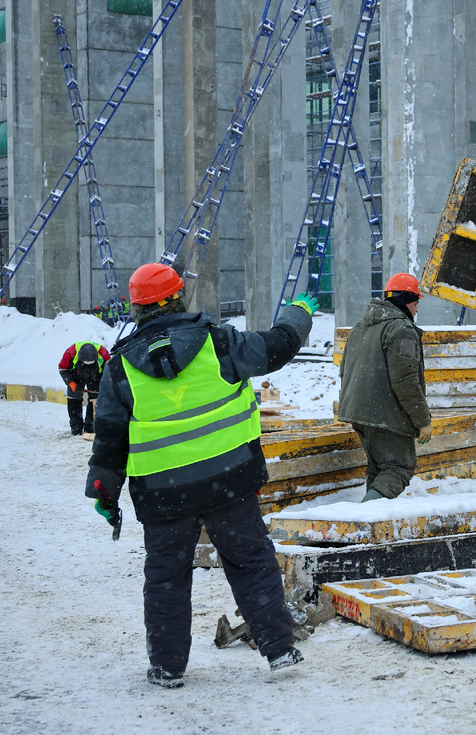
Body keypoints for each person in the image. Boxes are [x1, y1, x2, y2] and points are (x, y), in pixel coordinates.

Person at [84, 262, 318, 687]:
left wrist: (103, 493)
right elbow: (279, 347)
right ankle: (279, 648)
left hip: (162, 494)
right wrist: (297, 314)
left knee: (166, 579)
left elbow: (109, 442)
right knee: (251, 563)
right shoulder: (219, 343)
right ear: (179, 298)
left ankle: (167, 667)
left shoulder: (120, 368)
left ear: (136, 309)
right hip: (228, 480)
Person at [338, 271, 432, 502]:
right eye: (414, 303)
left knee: (379, 469)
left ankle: (371, 529)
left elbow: (344, 371)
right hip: (385, 415)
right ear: (402, 301)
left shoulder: (360, 327)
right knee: (398, 468)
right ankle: (362, 518)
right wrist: (422, 420)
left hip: (358, 413)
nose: (416, 310)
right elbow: (405, 380)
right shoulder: (401, 330)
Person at [58, 341, 111, 435]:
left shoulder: (104, 354)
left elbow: (111, 371)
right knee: (73, 400)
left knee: (95, 400)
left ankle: (91, 427)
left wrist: (104, 383)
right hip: (76, 376)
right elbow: (63, 368)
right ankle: (76, 428)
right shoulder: (71, 352)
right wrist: (70, 382)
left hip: (96, 376)